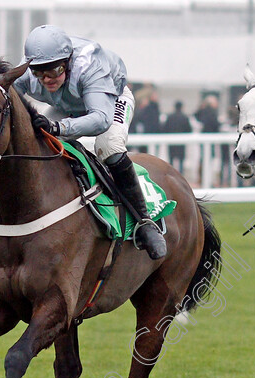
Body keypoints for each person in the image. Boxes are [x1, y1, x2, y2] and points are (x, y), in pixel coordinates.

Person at [14, 25, 166, 260]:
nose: (46, 79)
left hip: (110, 101)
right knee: (38, 141)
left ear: (68, 61)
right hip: (67, 104)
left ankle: (144, 222)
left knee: (109, 147)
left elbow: (100, 120)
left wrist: (58, 127)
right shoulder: (29, 71)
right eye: (39, 72)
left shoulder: (90, 67)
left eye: (53, 70)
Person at [163, 100, 192, 173]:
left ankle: (171, 173)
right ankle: (181, 174)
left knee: (171, 158)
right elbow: (189, 129)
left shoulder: (170, 117)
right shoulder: (185, 117)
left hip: (171, 141)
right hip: (181, 141)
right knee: (181, 159)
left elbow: (165, 128)